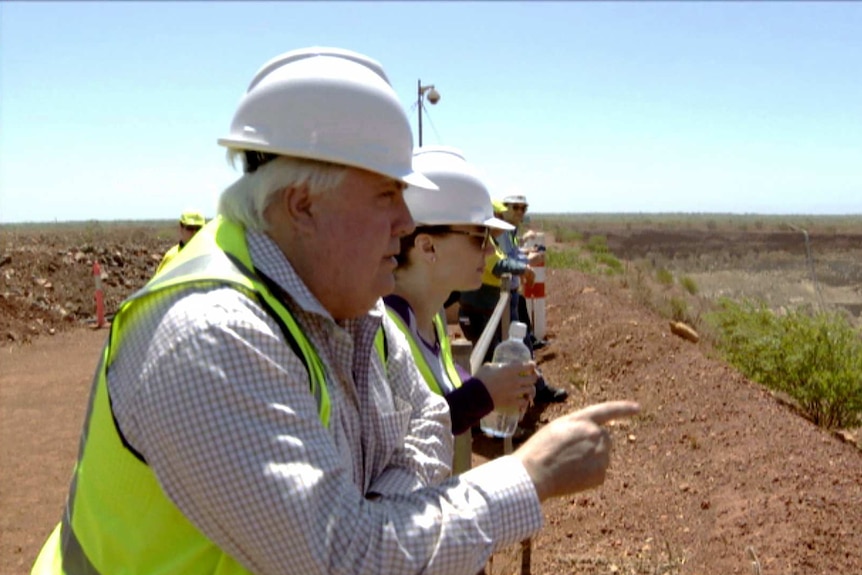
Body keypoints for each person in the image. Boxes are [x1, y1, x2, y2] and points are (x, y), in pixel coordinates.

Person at [32, 47, 639, 575]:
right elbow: (347, 561)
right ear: (301, 205)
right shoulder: (210, 337)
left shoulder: (343, 306)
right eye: (385, 195)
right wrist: (527, 479)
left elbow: (426, 427)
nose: (405, 223)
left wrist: (375, 513)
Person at [384, 146, 538, 442]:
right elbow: (400, 442)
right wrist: (483, 394)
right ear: (427, 247)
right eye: (479, 238)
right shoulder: (379, 330)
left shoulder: (432, 318)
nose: (491, 251)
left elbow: (442, 385)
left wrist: (493, 387)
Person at [460, 198, 568, 404]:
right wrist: (524, 266)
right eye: (498, 216)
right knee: (491, 361)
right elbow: (499, 265)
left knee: (512, 351)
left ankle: (532, 392)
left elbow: (504, 260)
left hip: (492, 307)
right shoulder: (484, 243)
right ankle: (493, 417)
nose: (501, 221)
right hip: (481, 310)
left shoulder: (491, 241)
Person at [154, 210, 206, 274]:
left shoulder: (210, 256)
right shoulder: (172, 257)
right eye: (190, 228)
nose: (194, 232)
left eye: (198, 228)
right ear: (181, 228)